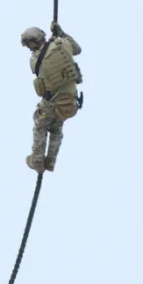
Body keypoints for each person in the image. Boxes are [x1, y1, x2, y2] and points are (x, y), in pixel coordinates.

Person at [21, 21, 82, 173]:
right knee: (56, 128)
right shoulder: (63, 44)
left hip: (52, 105)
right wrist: (60, 33)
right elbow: (77, 49)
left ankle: (37, 161)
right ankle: (51, 161)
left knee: (39, 125)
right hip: (70, 103)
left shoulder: (34, 60)